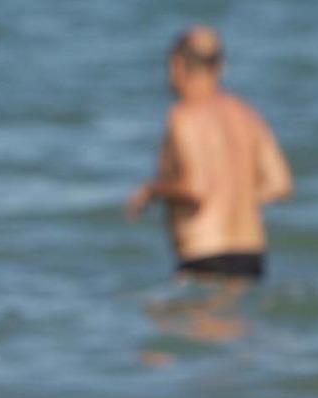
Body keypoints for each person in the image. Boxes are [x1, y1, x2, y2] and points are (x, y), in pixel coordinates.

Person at [125, 27, 292, 280]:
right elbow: (280, 185)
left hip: (204, 255)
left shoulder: (183, 116)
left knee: (176, 318)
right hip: (251, 255)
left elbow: (196, 188)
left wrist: (152, 191)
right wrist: (235, 197)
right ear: (219, 67)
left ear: (176, 65)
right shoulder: (246, 115)